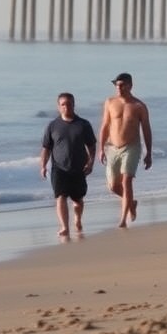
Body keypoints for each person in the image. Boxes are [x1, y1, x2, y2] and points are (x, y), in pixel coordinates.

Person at [99, 72, 152, 228]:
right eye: (116, 85)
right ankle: (131, 202)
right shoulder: (110, 102)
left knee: (126, 180)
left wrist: (149, 153)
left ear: (130, 85)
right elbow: (104, 126)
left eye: (122, 85)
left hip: (131, 146)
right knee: (112, 186)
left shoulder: (139, 106)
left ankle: (122, 220)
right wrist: (100, 148)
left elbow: (147, 130)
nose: (119, 88)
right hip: (112, 147)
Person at [41, 92, 97, 238]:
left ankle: (77, 219)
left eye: (69, 103)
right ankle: (65, 227)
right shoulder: (53, 126)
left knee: (78, 200)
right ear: (59, 107)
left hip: (78, 168)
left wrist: (91, 162)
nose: (66, 107)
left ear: (74, 104)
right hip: (59, 168)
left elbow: (91, 146)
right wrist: (43, 165)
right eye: (63, 104)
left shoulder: (83, 124)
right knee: (60, 196)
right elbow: (46, 148)